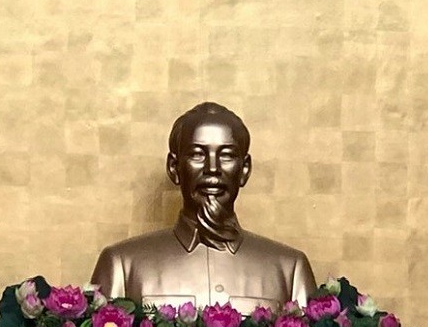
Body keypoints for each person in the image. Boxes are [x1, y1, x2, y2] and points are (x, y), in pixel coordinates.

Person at [90, 102, 316, 314]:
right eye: (197, 154)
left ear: (245, 169)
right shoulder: (122, 265)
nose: (213, 168)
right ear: (174, 167)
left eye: (227, 155)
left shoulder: (289, 270)